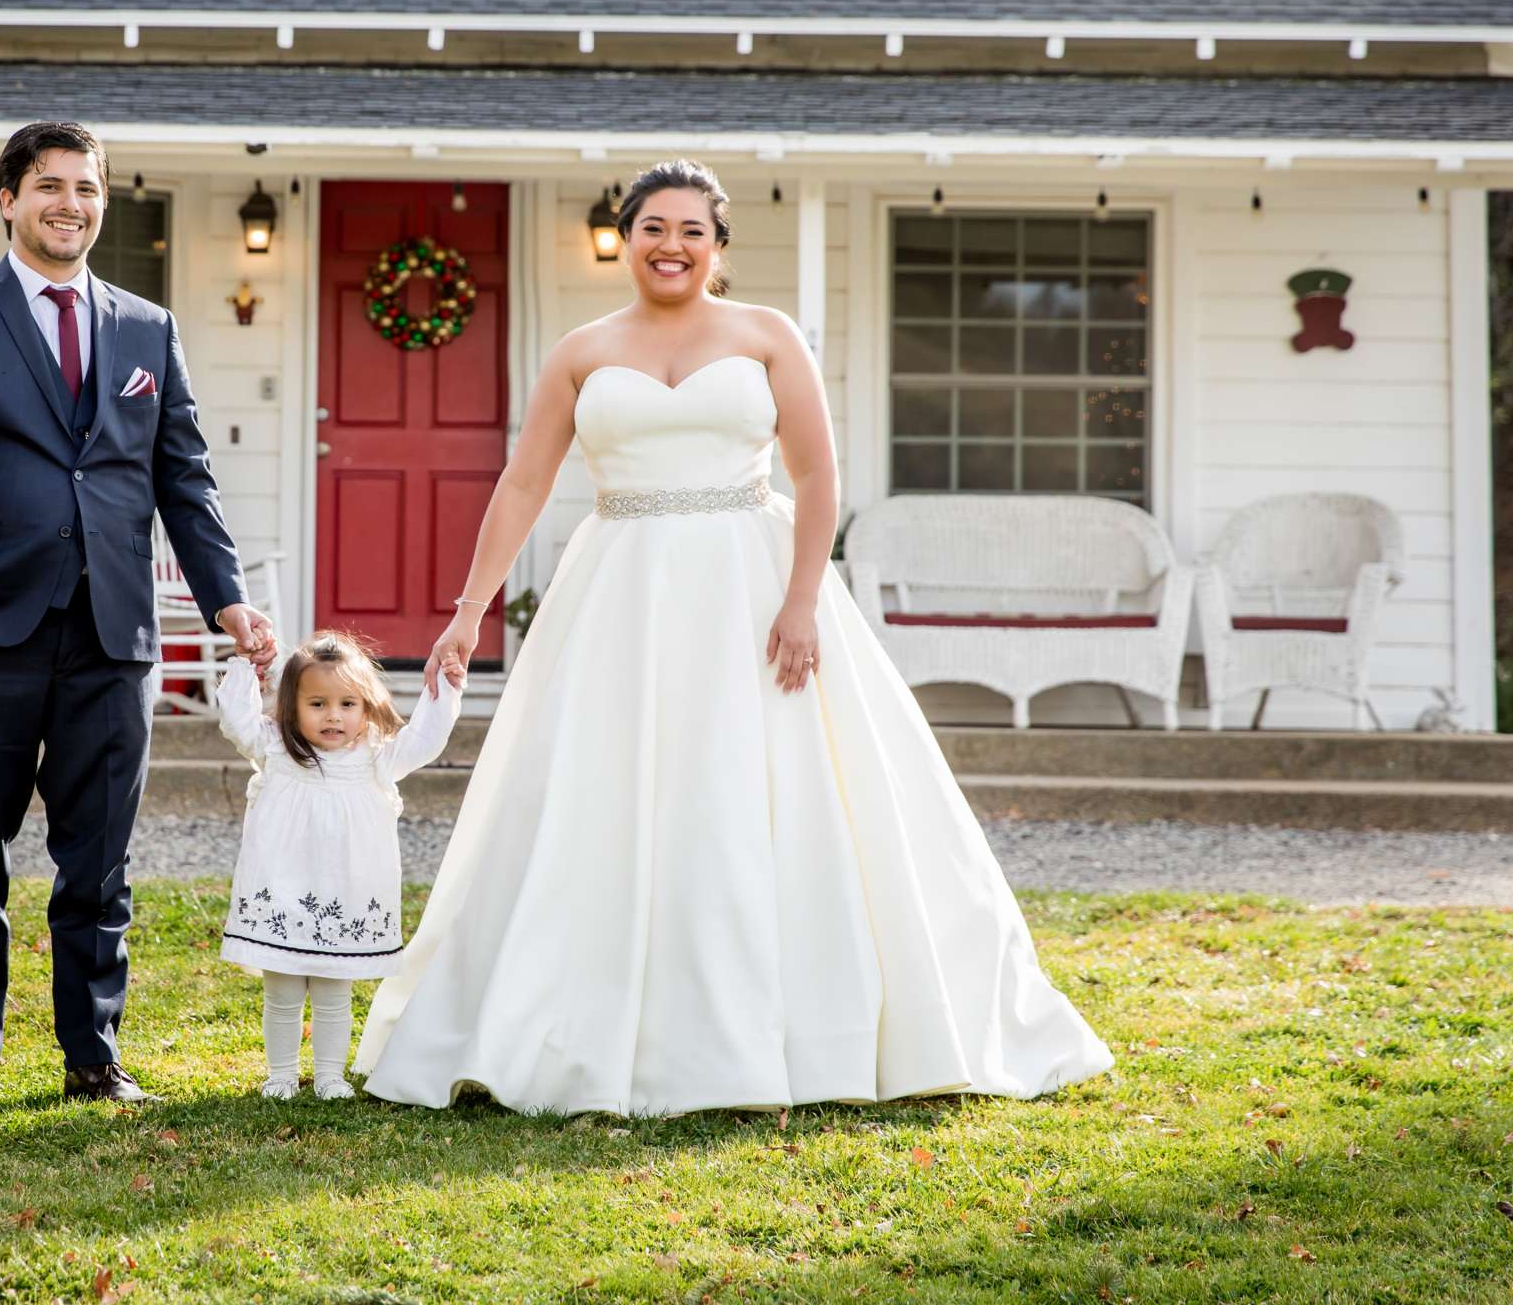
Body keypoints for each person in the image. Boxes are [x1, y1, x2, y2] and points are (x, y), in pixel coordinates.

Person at [355, 159, 1114, 1117]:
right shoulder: (581, 352)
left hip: (751, 589)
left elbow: (818, 473)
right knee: (610, 790)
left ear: (717, 246)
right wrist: (469, 611)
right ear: (623, 236)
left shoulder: (765, 335)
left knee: (765, 787)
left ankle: (804, 1029)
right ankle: (570, 1022)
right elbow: (523, 485)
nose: (670, 245)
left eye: (691, 231)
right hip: (620, 593)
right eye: (652, 228)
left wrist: (803, 598)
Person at [0, 120, 279, 1107]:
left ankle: (93, 1058)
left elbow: (185, 480)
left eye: (87, 189)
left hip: (113, 634)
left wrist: (228, 601)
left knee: (101, 858)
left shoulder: (148, 329)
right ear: (8, 198)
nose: (71, 205)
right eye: (50, 186)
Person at [213, 632, 465, 1099]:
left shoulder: (377, 757)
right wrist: (246, 669)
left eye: (347, 703)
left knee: (334, 992)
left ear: (367, 706)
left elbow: (426, 739)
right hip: (284, 887)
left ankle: (331, 1075)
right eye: (317, 703)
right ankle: (282, 1075)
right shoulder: (275, 749)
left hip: (345, 895)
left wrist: (445, 688)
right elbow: (236, 721)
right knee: (283, 991)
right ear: (291, 707)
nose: (333, 716)